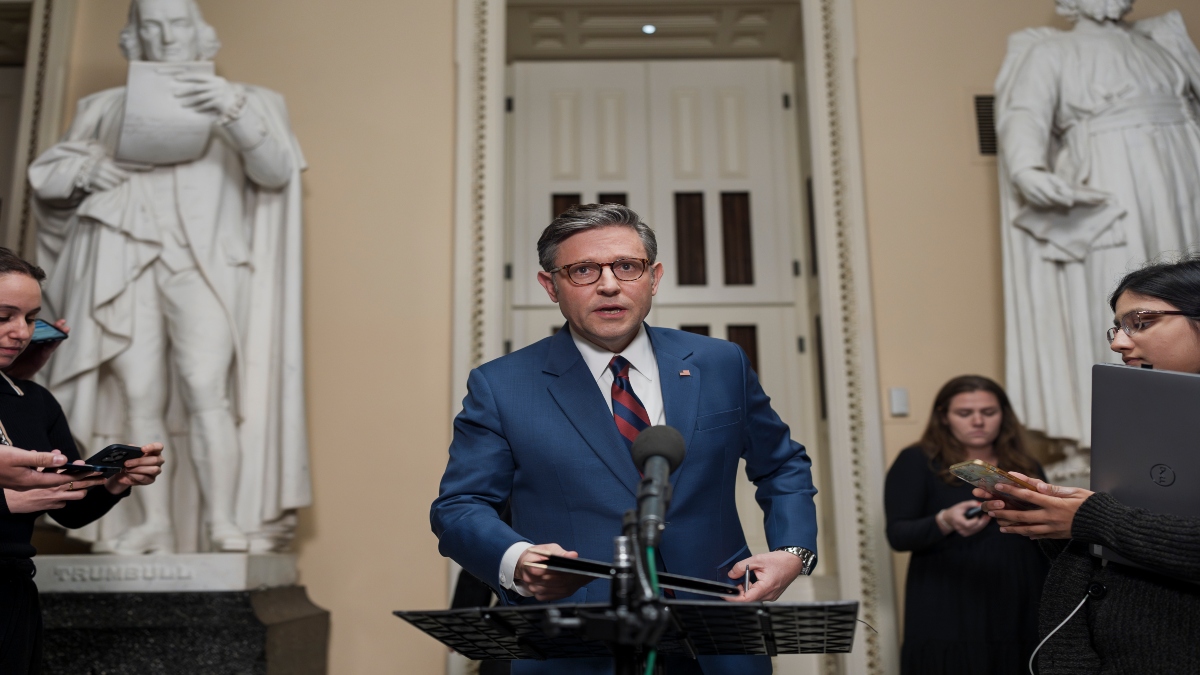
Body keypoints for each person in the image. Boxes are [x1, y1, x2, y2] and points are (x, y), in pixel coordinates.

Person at [431, 204, 818, 675]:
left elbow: (782, 465)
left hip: (720, 635)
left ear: (653, 278)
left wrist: (793, 552)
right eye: (583, 270)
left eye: (627, 266)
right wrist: (516, 559)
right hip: (575, 646)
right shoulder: (502, 386)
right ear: (550, 286)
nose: (609, 285)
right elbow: (460, 506)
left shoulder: (721, 363)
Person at [27, 0, 309, 555]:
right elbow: (49, 181)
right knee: (137, 394)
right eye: (150, 27)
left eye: (177, 24)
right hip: (124, 260)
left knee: (206, 388)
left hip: (203, 266)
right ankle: (152, 521)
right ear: (135, 38)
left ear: (199, 33)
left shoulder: (247, 100)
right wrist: (89, 168)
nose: (165, 37)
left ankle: (223, 520)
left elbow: (277, 172)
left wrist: (233, 113)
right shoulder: (104, 107)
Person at [977, 256, 1200, 673]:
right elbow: (1128, 546)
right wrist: (1051, 514)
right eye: (1118, 327)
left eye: (1141, 322)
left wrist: (1090, 517)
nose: (1118, 343)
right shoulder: (1139, 412)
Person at [996, 0, 1200, 448]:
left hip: (1180, 168)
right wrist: (1028, 169)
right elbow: (1024, 114)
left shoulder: (1160, 44)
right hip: (1111, 175)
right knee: (1131, 292)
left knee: (1186, 279)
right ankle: (1115, 432)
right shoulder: (1051, 52)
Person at [0, 247, 165, 674]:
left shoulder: (34, 401)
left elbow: (69, 510)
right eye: (3, 316)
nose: (20, 332)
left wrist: (116, 481)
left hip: (12, 592)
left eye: (30, 318)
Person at [885, 376, 1048, 674]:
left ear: (1004, 415)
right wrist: (944, 521)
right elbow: (898, 535)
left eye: (988, 412)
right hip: (950, 596)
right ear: (943, 417)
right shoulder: (917, 460)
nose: (978, 421)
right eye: (964, 413)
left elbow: (1046, 529)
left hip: (1019, 594)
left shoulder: (1025, 465)